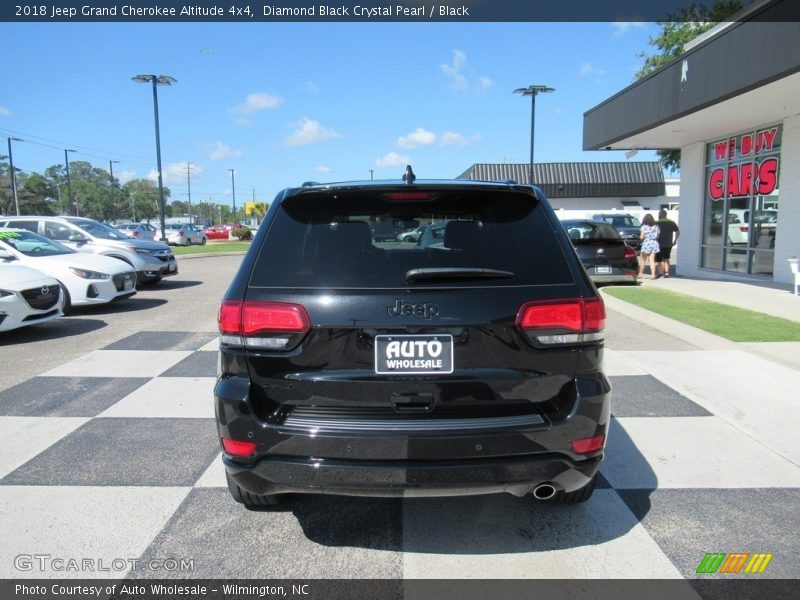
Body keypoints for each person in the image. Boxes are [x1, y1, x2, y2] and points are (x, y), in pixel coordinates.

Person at [655, 209, 680, 278]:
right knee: (666, 258)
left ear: (660, 215)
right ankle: (666, 272)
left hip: (658, 244)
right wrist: (675, 240)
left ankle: (661, 272)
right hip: (668, 244)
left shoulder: (656, 223)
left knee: (659, 259)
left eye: (659, 214)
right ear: (666, 215)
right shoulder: (671, 222)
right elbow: (677, 232)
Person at [638, 213, 660, 280]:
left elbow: (642, 237)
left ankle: (640, 274)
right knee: (652, 260)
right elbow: (657, 236)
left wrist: (639, 237)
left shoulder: (644, 226)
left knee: (643, 260)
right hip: (654, 243)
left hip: (646, 243)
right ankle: (653, 275)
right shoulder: (656, 226)